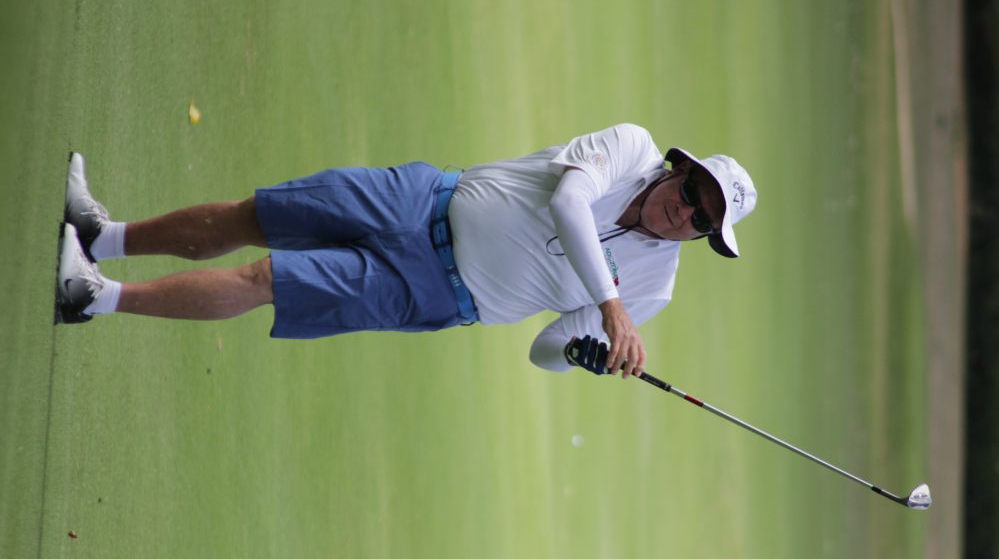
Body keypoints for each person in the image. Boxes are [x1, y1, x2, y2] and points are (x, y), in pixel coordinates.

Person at [55, 123, 757, 377]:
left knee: (269, 278)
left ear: (704, 236)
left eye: (702, 220)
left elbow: (545, 349)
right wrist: (609, 306)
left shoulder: (653, 286)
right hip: (421, 198)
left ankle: (92, 295)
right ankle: (101, 236)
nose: (686, 212)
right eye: (692, 192)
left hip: (435, 291)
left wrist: (581, 353)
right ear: (679, 169)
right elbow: (570, 201)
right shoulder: (631, 146)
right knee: (257, 216)